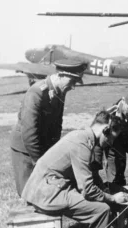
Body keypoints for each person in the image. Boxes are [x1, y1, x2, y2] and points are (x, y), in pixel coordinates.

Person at [21, 110, 128, 228]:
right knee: (101, 210)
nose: (110, 143)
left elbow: (88, 176)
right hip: (47, 193)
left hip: (46, 187)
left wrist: (105, 189)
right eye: (111, 139)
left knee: (97, 206)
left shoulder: (82, 137)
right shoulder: (82, 145)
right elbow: (88, 190)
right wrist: (112, 198)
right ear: (105, 130)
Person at [10, 59, 87, 196]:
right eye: (72, 81)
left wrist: (53, 153)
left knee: (45, 192)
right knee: (28, 193)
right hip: (26, 150)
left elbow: (56, 126)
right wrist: (39, 162)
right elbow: (29, 132)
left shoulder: (59, 92)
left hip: (42, 147)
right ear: (61, 75)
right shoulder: (37, 92)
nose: (73, 87)